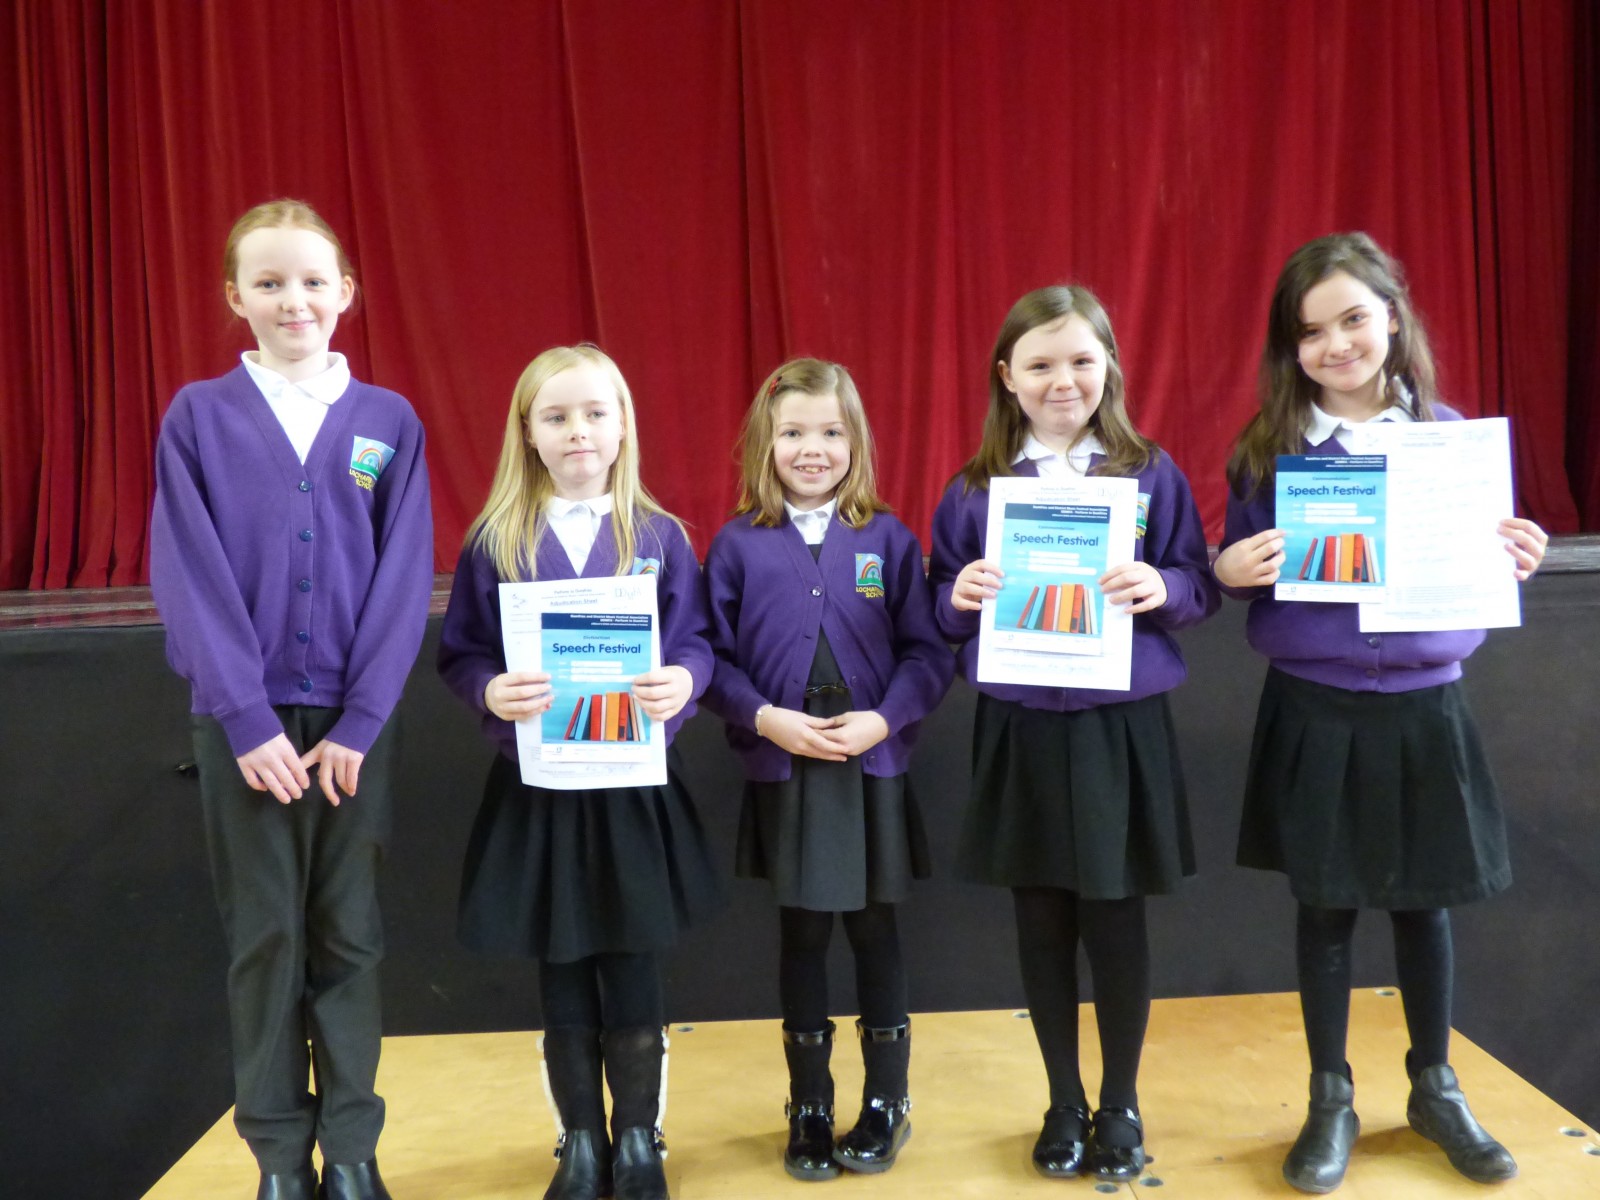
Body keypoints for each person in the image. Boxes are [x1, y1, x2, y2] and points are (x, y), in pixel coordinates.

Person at [1213, 231, 1548, 1193]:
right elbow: (1233, 568)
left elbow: (1480, 563)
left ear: (1391, 319)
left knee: (1422, 902)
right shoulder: (1269, 451)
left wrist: (1514, 557)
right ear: (1291, 347)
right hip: (1315, 707)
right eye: (1311, 331)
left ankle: (1435, 1088)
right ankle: (1331, 1097)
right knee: (1324, 905)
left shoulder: (1451, 442)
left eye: (1353, 319)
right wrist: (1229, 569)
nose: (1336, 345)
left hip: (1421, 705)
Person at [150, 199, 433, 1200]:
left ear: (346, 292)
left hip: (354, 730)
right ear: (236, 296)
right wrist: (244, 717)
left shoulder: (389, 422)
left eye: (312, 281)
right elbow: (188, 572)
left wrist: (362, 721)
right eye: (268, 282)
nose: (293, 300)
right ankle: (279, 1158)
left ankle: (351, 1151)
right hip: (248, 730)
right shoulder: (199, 416)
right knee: (266, 939)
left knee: (348, 935)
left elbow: (403, 578)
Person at [928, 286, 1218, 1182]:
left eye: (1082, 361)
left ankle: (1120, 1102)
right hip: (1020, 726)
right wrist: (957, 597)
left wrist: (1163, 588)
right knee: (1042, 918)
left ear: (1110, 368)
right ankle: (1062, 1100)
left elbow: (1197, 583)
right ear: (1007, 377)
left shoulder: (1150, 473)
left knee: (1116, 916)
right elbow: (936, 602)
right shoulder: (975, 488)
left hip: (1117, 728)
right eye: (1042, 364)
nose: (1064, 380)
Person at [437, 345, 723, 1200]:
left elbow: (696, 642)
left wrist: (686, 681)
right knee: (561, 965)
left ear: (623, 425)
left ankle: (637, 1137)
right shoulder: (495, 540)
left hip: (632, 788)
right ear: (527, 432)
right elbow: (462, 654)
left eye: (596, 413)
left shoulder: (660, 536)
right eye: (556, 416)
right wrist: (489, 688)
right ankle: (581, 1141)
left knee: (632, 961)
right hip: (541, 789)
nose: (578, 431)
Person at [702, 358, 953, 1180]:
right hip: (787, 767)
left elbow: (927, 655)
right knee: (802, 934)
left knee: (876, 929)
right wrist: (764, 718)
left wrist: (884, 718)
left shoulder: (888, 539)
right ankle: (808, 1104)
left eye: (831, 432)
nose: (813, 449)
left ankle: (887, 1102)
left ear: (857, 442)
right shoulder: (737, 545)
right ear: (764, 444)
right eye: (794, 433)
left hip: (869, 765)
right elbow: (710, 662)